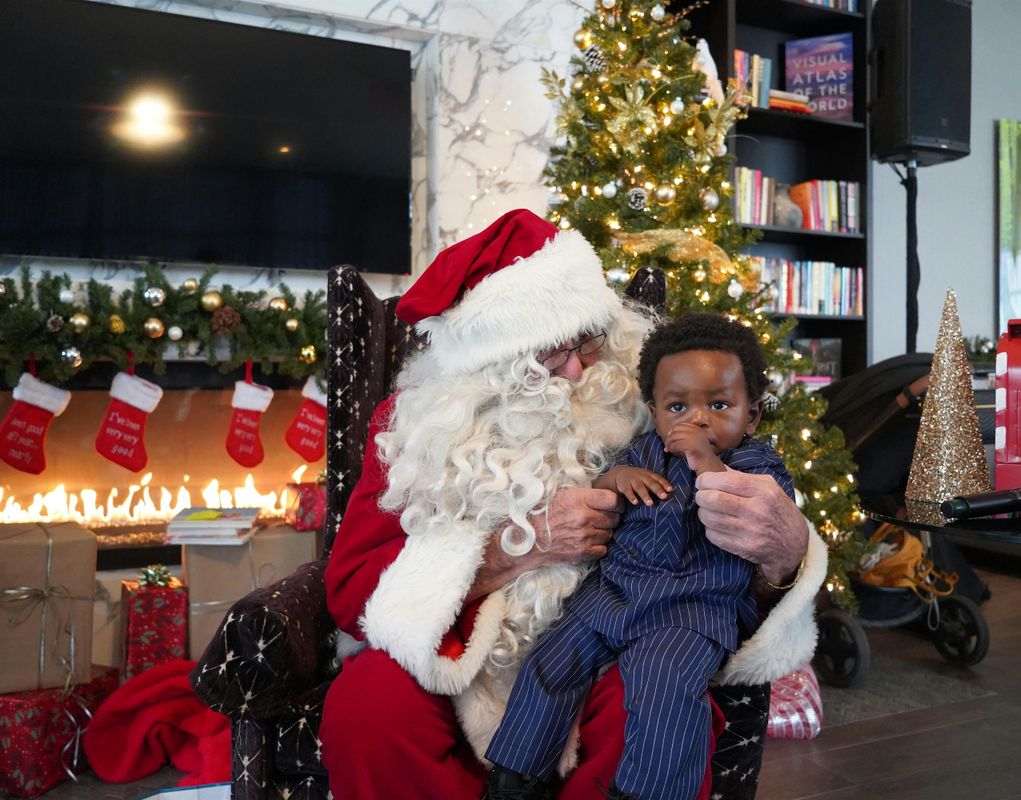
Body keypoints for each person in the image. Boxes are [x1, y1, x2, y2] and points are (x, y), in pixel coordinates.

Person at [319, 209, 827, 800]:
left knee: (655, 711)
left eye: (589, 341)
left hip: (620, 635)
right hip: (465, 658)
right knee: (367, 709)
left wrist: (785, 552)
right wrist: (519, 548)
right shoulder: (417, 429)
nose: (581, 368)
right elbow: (350, 587)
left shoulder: (656, 397)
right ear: (486, 365)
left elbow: (743, 504)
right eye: (549, 355)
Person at [482, 313, 792, 800]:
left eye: (718, 404)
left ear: (750, 414)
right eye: (677, 406)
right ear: (655, 410)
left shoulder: (754, 463)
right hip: (615, 593)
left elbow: (743, 511)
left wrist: (705, 459)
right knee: (552, 660)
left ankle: (647, 791)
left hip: (693, 608)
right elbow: (602, 484)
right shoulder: (644, 450)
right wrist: (613, 479)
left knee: (662, 680)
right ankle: (516, 777)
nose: (697, 419)